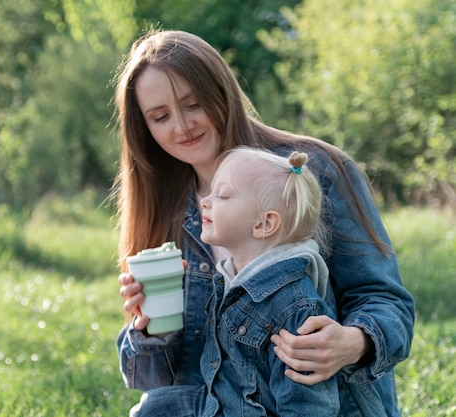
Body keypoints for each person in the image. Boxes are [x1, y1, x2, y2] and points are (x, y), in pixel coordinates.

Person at [112, 29, 415, 416]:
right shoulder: (164, 209)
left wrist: (352, 342)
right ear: (145, 129)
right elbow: (155, 380)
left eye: (193, 104)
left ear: (221, 93)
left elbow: (386, 300)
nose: (181, 127)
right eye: (160, 117)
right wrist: (153, 328)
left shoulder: (311, 172)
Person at [130, 147, 341, 416]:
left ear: (264, 225)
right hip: (220, 404)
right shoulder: (231, 281)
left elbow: (308, 405)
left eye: (223, 195)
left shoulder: (295, 306)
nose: (206, 201)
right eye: (211, 192)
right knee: (153, 407)